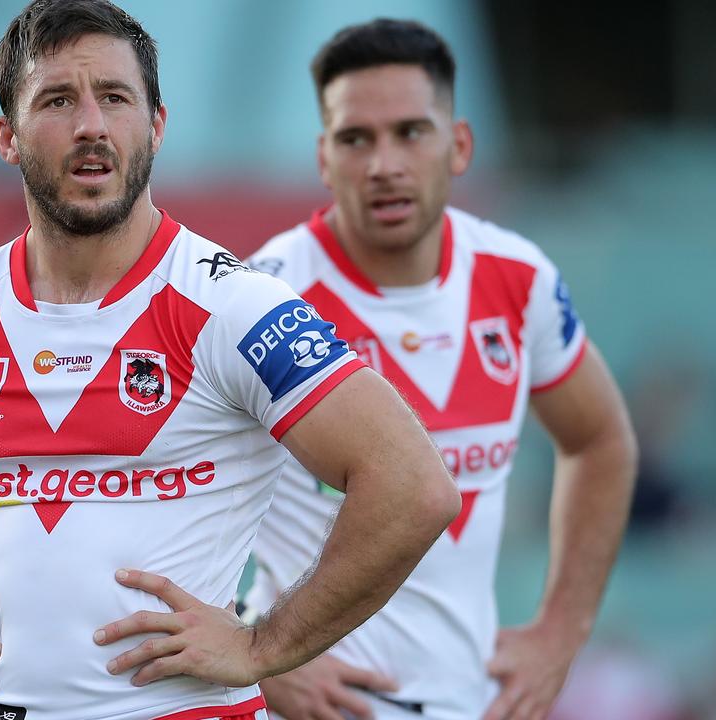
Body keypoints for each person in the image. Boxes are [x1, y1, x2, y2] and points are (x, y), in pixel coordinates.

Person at [0, 3, 461, 720]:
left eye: (115, 97)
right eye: (58, 100)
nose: (90, 125)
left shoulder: (234, 309)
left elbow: (414, 487)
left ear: (156, 126)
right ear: (7, 137)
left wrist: (264, 647)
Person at [242, 19, 638, 720]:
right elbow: (161, 487)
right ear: (323, 157)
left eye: (410, 132)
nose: (383, 163)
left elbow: (601, 441)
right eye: (355, 139)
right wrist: (255, 650)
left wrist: (560, 633)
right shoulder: (265, 296)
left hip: (474, 701)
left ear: (458, 146)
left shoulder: (519, 280)